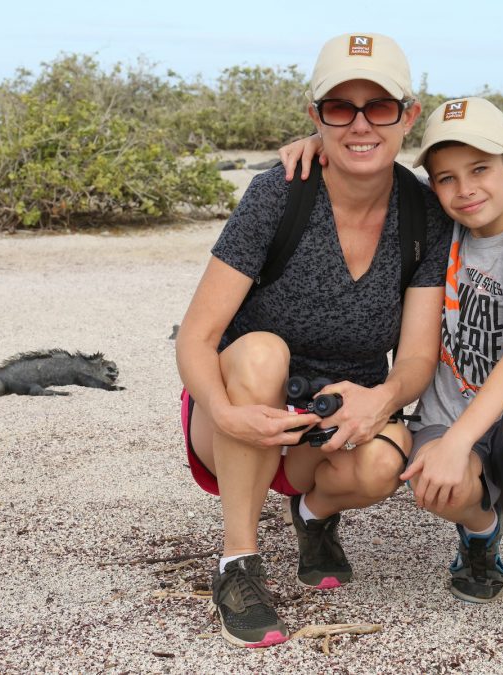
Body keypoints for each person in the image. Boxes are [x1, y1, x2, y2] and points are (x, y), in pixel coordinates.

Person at [283, 96, 503, 638]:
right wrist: (323, 144)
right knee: (438, 485)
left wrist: (460, 442)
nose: (465, 189)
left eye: (480, 170)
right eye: (446, 178)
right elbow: (374, 171)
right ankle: (481, 531)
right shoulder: (446, 225)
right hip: (446, 418)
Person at [175, 32, 451, 648]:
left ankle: (313, 516)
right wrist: (223, 410)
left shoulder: (424, 213)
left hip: (330, 422)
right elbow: (197, 335)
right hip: (237, 410)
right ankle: (238, 564)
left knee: (382, 466)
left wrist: (382, 400)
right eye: (340, 108)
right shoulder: (280, 193)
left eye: (380, 106)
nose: (361, 124)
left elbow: (416, 356)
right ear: (315, 115)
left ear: (408, 116)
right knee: (261, 351)